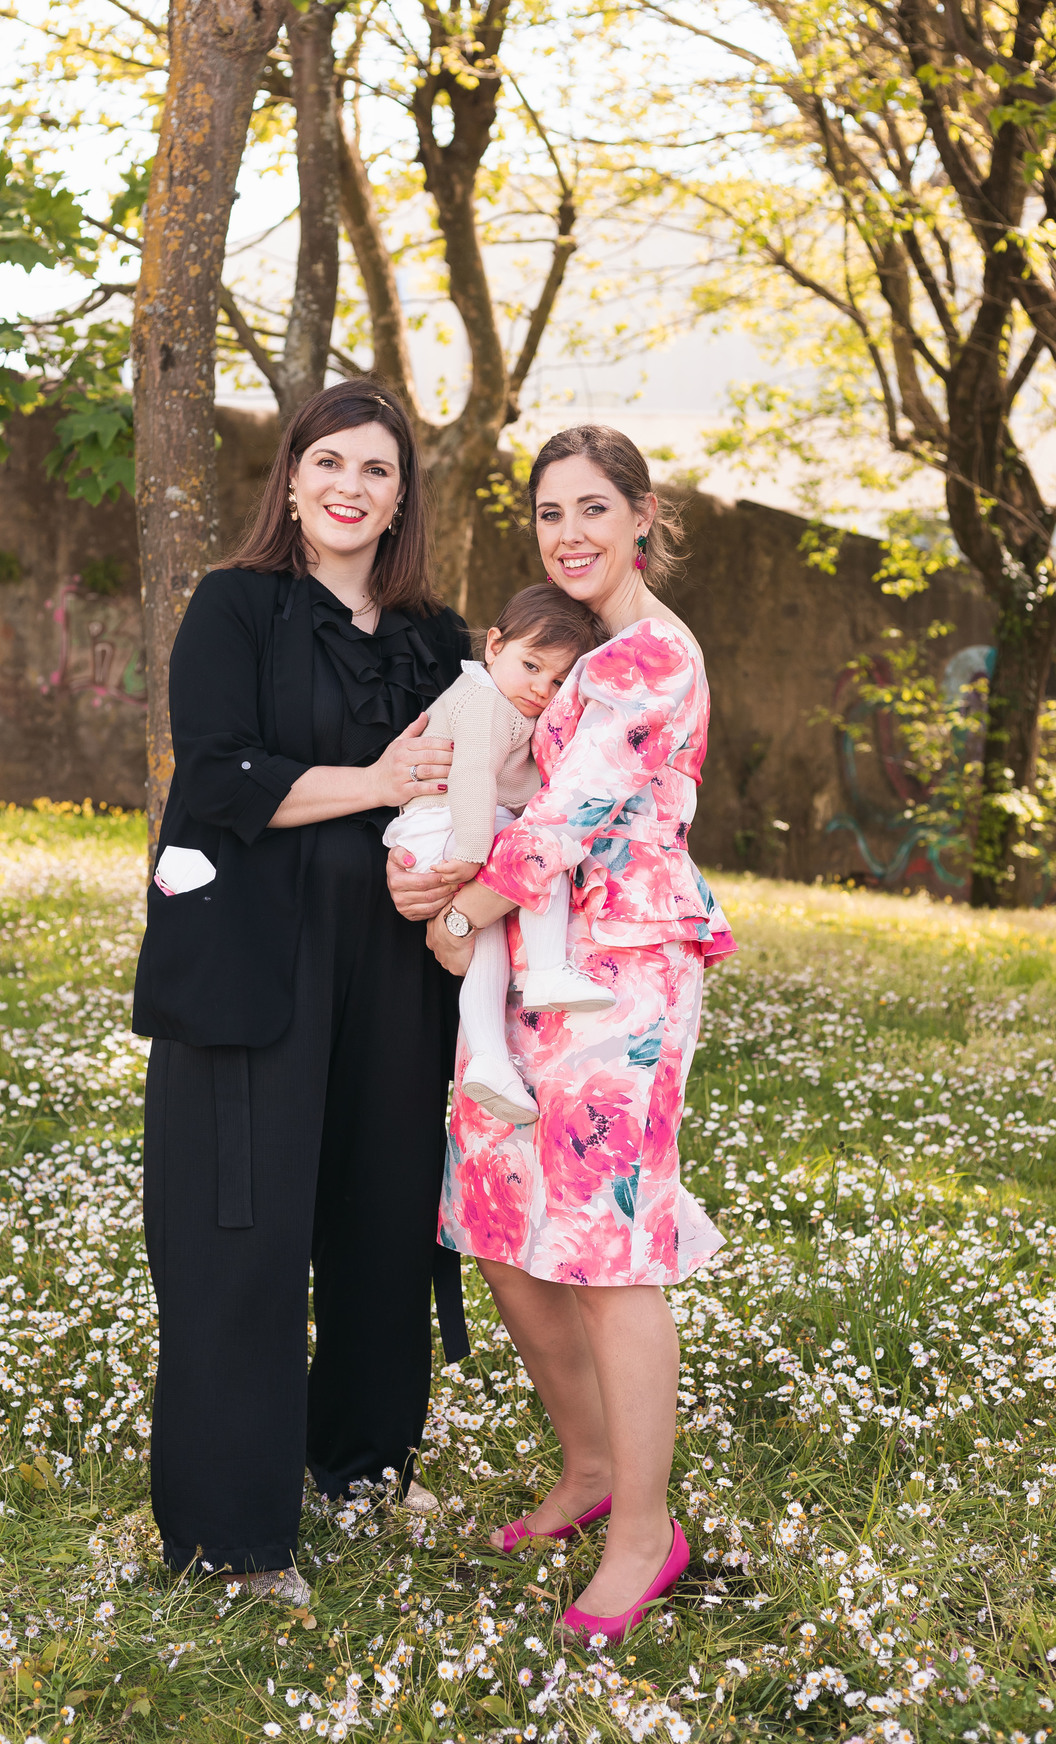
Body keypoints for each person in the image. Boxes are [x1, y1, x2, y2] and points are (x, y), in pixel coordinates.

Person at [388, 423, 735, 1644]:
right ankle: (589, 1465)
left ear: (645, 517)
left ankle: (646, 1532)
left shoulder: (650, 657)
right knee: (498, 1225)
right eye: (550, 513)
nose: (572, 533)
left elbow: (567, 819)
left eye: (595, 508)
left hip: (621, 975)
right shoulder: (572, 651)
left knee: (606, 1252)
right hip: (530, 966)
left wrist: (455, 913)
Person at [132, 378, 470, 1595]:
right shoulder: (235, 607)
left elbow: (479, 787)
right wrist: (377, 781)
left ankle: (360, 1466)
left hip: (396, 965)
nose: (349, 486)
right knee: (244, 1231)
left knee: (385, 1217)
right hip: (252, 962)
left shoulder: (439, 637)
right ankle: (231, 1536)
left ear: (402, 497)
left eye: (377, 469)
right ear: (290, 477)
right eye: (329, 461)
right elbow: (218, 779)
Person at [383, 584, 609, 1127]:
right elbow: (473, 775)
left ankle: (489, 1060)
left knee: (486, 939)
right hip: (449, 824)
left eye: (558, 681)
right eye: (531, 666)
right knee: (541, 852)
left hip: (442, 826)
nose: (540, 688)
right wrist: (471, 850)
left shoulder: (505, 702)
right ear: (493, 645)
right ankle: (548, 970)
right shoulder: (484, 700)